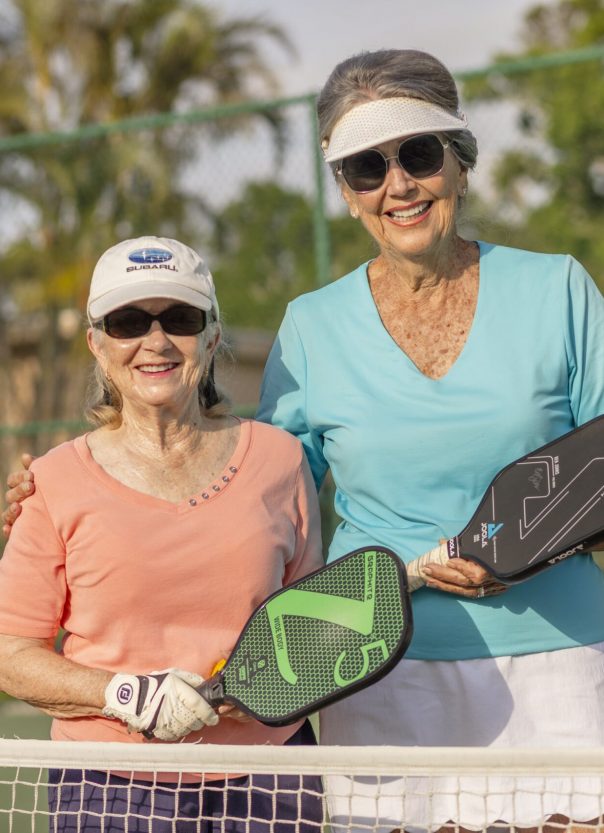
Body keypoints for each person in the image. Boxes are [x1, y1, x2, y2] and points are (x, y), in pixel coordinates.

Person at [253, 49, 604, 831]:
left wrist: (532, 550)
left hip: (562, 659)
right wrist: (73, 490)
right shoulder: (309, 327)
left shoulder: (560, 289)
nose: (398, 185)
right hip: (375, 670)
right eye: (366, 168)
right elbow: (261, 503)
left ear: (460, 164)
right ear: (346, 194)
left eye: (417, 154)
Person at [0, 236, 325, 833]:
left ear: (212, 335)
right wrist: (130, 697)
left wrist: (249, 694)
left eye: (179, 318)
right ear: (97, 345)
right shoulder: (50, 483)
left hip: (270, 778)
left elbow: (308, 631)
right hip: (107, 789)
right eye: (128, 322)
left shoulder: (280, 462)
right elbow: (10, 654)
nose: (155, 342)